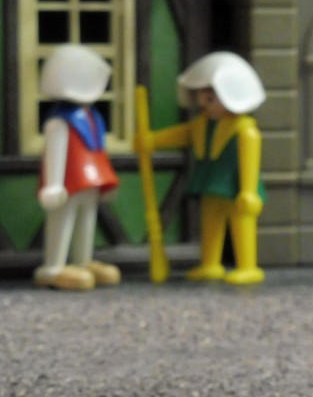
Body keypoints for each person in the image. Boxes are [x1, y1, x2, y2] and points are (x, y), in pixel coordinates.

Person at [134, 52, 266, 284]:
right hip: (211, 183)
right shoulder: (202, 124)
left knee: (241, 223)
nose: (203, 104)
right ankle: (210, 263)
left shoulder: (245, 130)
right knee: (210, 224)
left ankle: (247, 266)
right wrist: (152, 140)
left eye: (210, 98)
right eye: (201, 97)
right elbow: (181, 134)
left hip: (237, 187)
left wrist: (248, 191)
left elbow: (249, 161)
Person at [35, 45, 120, 290]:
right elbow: (55, 153)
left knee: (87, 221)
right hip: (68, 184)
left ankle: (82, 261)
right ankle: (54, 266)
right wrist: (53, 184)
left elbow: (98, 152)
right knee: (62, 221)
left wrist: (107, 181)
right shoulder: (59, 121)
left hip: (90, 181)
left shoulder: (93, 116)